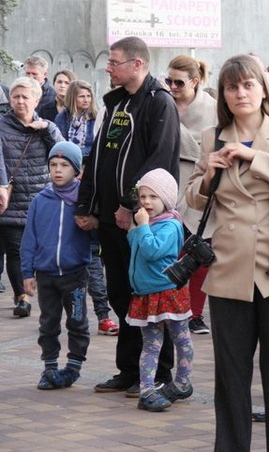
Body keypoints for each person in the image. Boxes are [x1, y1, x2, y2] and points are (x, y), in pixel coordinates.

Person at [185, 54, 269, 451]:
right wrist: (209, 171)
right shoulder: (211, 136)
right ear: (223, 94)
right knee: (230, 376)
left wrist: (253, 157)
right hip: (228, 270)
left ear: (264, 87)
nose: (240, 93)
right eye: (231, 86)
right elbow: (190, 197)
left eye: (248, 84)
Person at [75, 36, 180, 397]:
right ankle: (129, 369)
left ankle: (160, 373)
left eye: (114, 61)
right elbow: (98, 159)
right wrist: (88, 206)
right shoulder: (117, 103)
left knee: (150, 297)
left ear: (137, 64)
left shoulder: (159, 103)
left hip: (139, 220)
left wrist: (130, 204)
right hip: (109, 219)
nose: (108, 67)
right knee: (122, 296)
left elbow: (159, 163)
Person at [21, 141, 91, 390]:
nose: (58, 170)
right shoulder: (41, 200)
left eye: (64, 165)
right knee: (48, 323)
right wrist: (27, 272)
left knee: (77, 321)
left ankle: (73, 366)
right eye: (53, 165)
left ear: (76, 170)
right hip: (46, 274)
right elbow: (29, 238)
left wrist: (92, 224)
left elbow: (96, 233)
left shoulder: (84, 199)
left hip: (75, 275)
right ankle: (49, 368)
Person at [125, 168, 194, 412]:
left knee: (181, 338)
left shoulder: (170, 225)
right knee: (151, 344)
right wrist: (137, 228)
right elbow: (134, 245)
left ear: (165, 199)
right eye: (143, 196)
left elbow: (152, 251)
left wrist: (141, 227)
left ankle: (183, 381)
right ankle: (146, 389)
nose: (146, 202)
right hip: (146, 294)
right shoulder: (145, 222)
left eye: (153, 197)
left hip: (167, 292)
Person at [54, 79, 118, 336]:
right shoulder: (62, 121)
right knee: (72, 283)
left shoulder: (96, 122)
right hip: (67, 244)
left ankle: (103, 316)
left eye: (89, 95)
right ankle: (76, 322)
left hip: (89, 233)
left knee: (95, 274)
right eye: (81, 96)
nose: (85, 100)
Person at [0, 77, 64, 318]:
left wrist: (46, 130)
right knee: (16, 250)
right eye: (15, 96)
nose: (20, 101)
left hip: (40, 199)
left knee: (39, 249)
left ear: (36, 100)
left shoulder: (48, 127)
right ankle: (22, 297)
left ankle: (42, 291)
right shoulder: (1, 126)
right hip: (11, 199)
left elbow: (63, 154)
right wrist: (2, 185)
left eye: (25, 96)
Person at [167, 55, 218, 336]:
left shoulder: (212, 108)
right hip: (169, 179)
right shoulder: (163, 104)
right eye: (168, 81)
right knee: (170, 248)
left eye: (179, 82)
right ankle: (172, 306)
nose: (172, 87)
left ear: (195, 81)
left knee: (200, 249)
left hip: (201, 181)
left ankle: (195, 313)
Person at [23, 56, 57, 120]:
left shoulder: (53, 96)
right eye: (27, 73)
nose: (30, 77)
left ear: (45, 75)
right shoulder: (17, 92)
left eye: (34, 74)